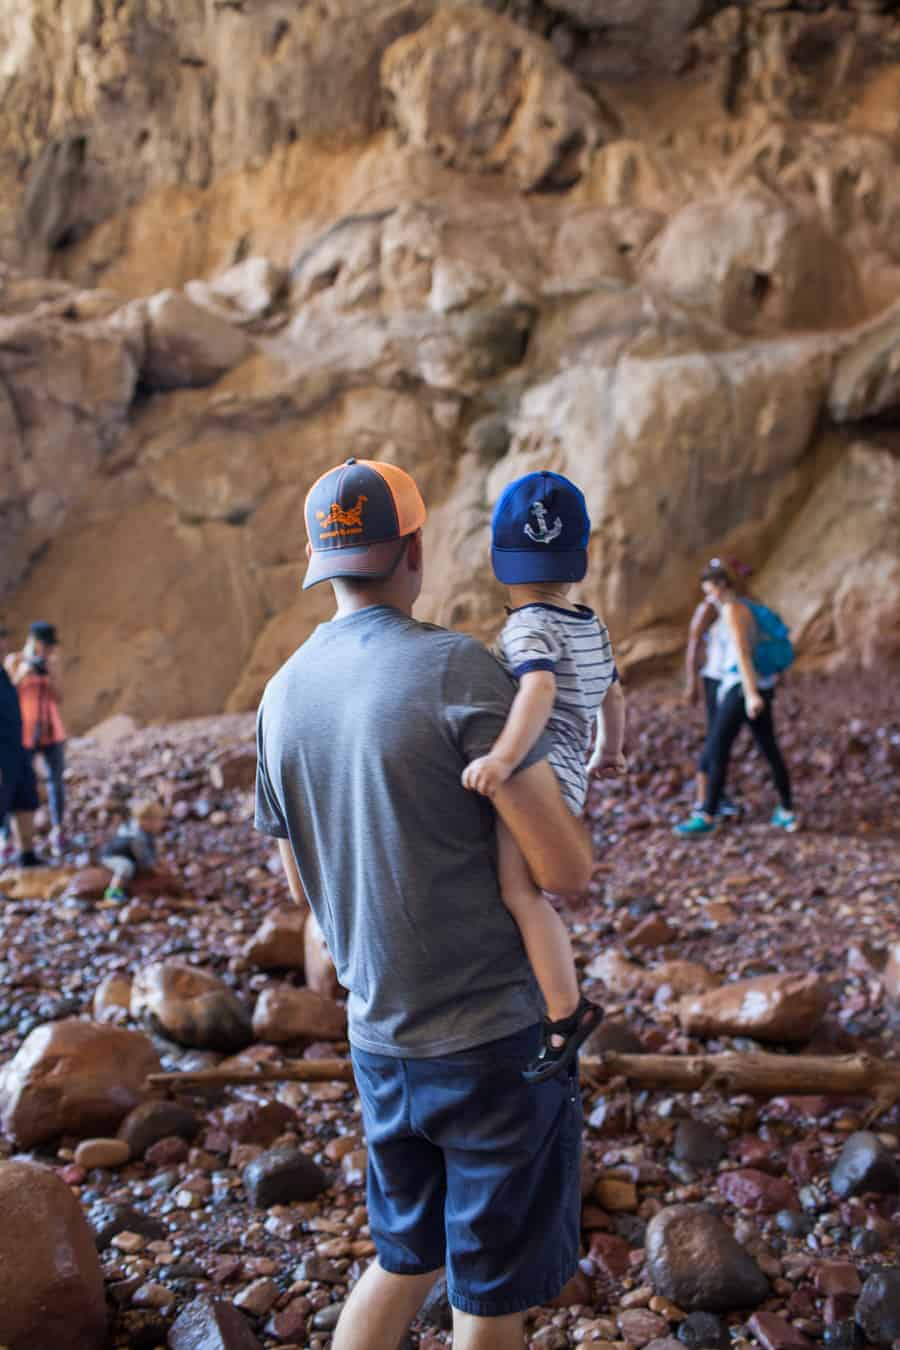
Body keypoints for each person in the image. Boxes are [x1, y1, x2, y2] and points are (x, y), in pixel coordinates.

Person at [255, 457, 593, 1350]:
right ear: (413, 550)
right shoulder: (457, 669)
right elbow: (563, 869)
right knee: (488, 1287)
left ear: (318, 563)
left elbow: (303, 888)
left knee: (404, 1257)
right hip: (492, 1043)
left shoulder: (279, 697)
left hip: (382, 1044)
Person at [461, 471, 625, 1083]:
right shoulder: (590, 624)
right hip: (573, 775)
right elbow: (613, 693)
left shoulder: (527, 627)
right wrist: (609, 751)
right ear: (576, 563)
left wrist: (504, 759)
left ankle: (565, 1010)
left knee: (520, 895)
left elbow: (540, 687)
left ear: (502, 562)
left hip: (541, 771)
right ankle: (559, 1003)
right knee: (528, 889)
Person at [675, 560, 796, 836]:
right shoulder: (746, 606)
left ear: (720, 586)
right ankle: (787, 810)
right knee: (769, 747)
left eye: (708, 590)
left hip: (741, 688)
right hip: (756, 685)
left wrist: (751, 694)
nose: (707, 596)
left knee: (717, 748)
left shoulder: (733, 610)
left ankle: (707, 815)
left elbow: (742, 653)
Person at [5, 621, 67, 855]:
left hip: (52, 730)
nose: (48, 650)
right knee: (17, 783)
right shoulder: (15, 661)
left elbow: (59, 696)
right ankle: (10, 836)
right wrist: (24, 672)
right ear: (33, 641)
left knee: (56, 782)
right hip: (24, 732)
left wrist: (50, 673)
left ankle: (58, 829)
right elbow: (8, 692)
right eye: (45, 645)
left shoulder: (52, 663)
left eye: (50, 646)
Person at [0, 623, 42, 868]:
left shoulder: (5, 674)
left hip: (18, 750)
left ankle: (27, 855)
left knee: (24, 802)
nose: (4, 645)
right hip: (2, 755)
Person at [99, 796, 167, 900]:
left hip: (129, 856)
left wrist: (159, 860)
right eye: (157, 821)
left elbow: (152, 851)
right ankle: (113, 892)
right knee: (126, 867)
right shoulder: (137, 836)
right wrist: (153, 867)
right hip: (113, 856)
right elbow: (142, 855)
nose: (161, 824)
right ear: (144, 821)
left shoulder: (148, 834)